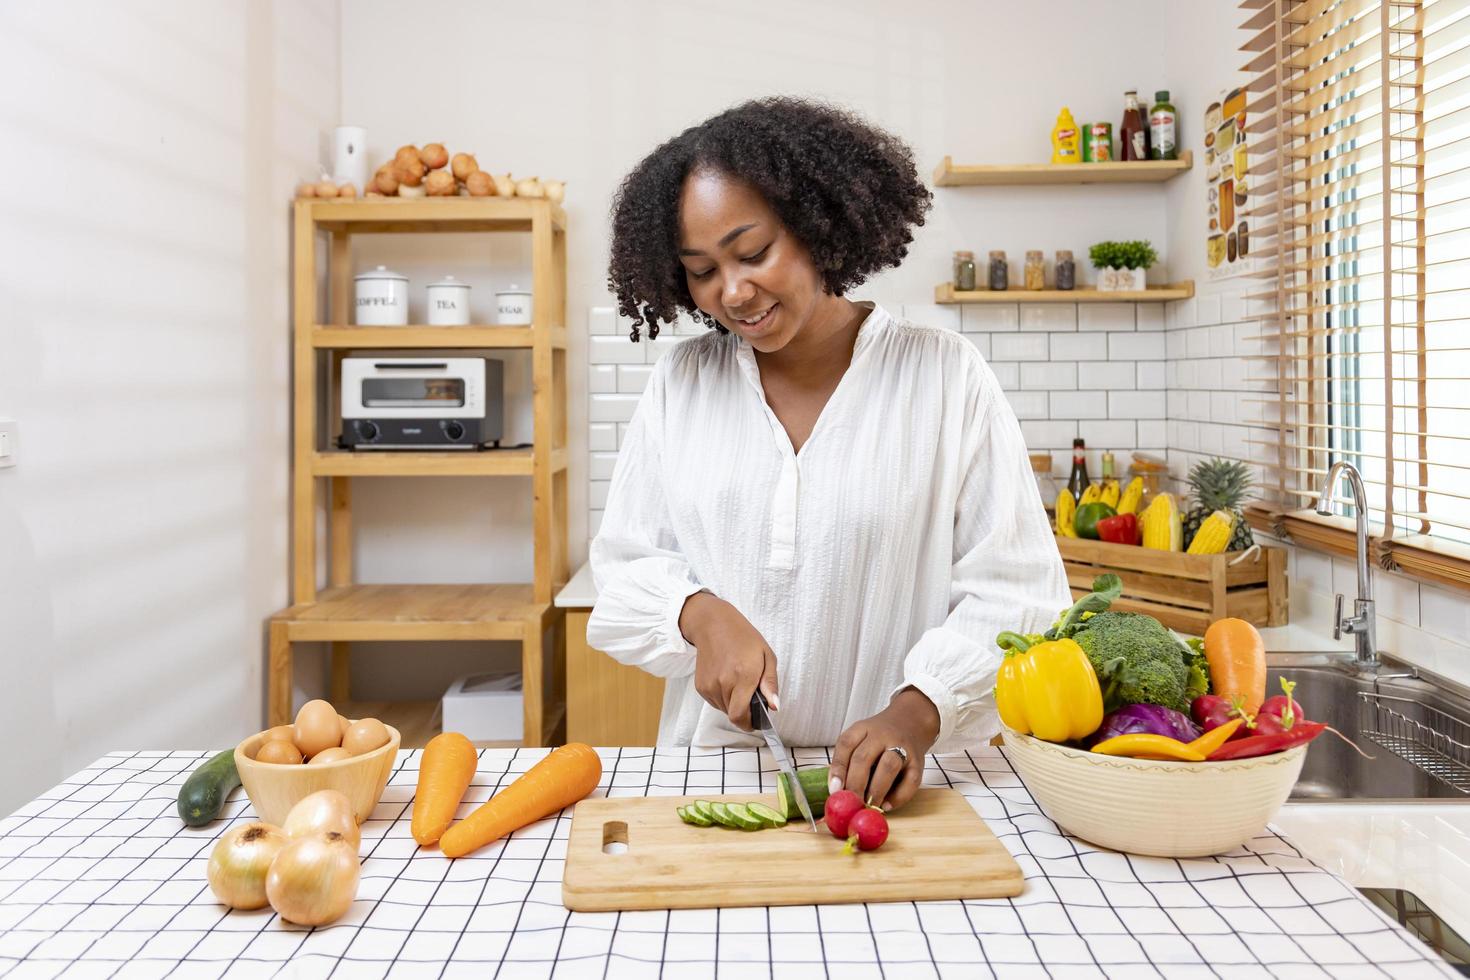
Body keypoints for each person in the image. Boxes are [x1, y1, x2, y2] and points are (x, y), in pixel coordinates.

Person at [588, 97, 1069, 811]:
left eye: (754, 253)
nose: (733, 291)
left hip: (907, 786)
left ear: (818, 225)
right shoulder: (683, 383)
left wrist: (920, 709)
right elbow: (626, 570)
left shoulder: (944, 376)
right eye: (702, 270)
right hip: (719, 778)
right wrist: (698, 612)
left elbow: (1020, 592)